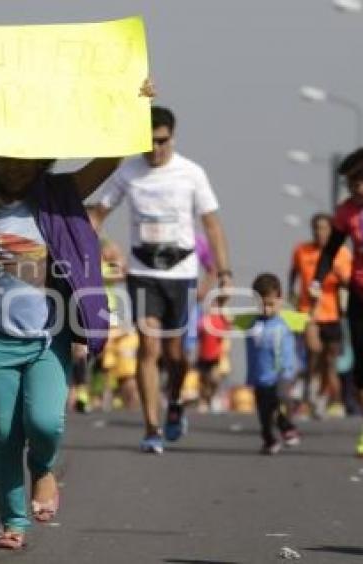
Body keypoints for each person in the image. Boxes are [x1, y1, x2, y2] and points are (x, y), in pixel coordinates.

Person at [0, 78, 154, 549]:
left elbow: (110, 158)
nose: (13, 167)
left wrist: (137, 104)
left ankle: (44, 468)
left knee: (46, 424)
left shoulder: (63, 192)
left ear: (41, 158)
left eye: (23, 158)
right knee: (5, 431)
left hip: (50, 336)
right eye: (4, 157)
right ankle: (13, 522)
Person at [88, 106, 232, 454]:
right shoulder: (129, 174)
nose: (154, 149)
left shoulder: (191, 174)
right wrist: (105, 247)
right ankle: (152, 427)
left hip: (181, 273)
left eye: (161, 141)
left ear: (173, 137)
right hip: (142, 272)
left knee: (175, 354)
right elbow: (96, 215)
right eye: (148, 142)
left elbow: (212, 224)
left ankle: (176, 402)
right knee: (149, 347)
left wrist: (224, 274)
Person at [313, 147, 363, 455]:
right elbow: (331, 251)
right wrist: (318, 279)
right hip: (360, 295)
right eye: (351, 184)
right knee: (362, 366)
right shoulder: (346, 213)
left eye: (360, 181)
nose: (356, 189)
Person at [289, 213, 352, 418]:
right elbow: (293, 274)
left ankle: (328, 399)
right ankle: (308, 394)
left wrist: (334, 272)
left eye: (324, 228)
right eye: (316, 228)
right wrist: (292, 295)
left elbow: (348, 282)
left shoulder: (341, 254)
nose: (319, 232)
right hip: (309, 312)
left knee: (329, 361)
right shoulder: (302, 251)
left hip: (332, 314)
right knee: (313, 352)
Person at [245, 273, 300, 455]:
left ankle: (287, 426)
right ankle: (269, 439)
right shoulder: (249, 321)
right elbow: (223, 321)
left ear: (280, 300)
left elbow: (311, 321)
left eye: (271, 304)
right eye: (261, 305)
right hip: (260, 376)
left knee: (282, 396)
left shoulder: (289, 318)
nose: (266, 310)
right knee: (264, 413)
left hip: (283, 372)